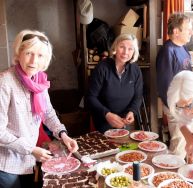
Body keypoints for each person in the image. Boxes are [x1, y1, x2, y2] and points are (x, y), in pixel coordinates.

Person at [0, 29, 79, 188]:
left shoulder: (39, 81)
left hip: (29, 160)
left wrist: (64, 136)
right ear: (19, 53)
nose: (33, 60)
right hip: (7, 163)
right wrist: (31, 149)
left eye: (40, 55)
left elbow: (48, 113)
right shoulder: (5, 82)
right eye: (29, 53)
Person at [156, 12, 193, 158]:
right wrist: (179, 107)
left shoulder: (183, 48)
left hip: (189, 106)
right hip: (177, 108)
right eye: (188, 29)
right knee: (179, 145)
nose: (191, 32)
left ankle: (189, 174)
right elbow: (165, 87)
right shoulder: (167, 51)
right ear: (176, 31)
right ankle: (171, 176)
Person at [87, 33, 143, 133]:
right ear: (115, 47)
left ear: (134, 51)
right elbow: (91, 97)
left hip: (125, 121)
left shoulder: (135, 70)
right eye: (122, 47)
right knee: (106, 147)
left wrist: (132, 111)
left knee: (126, 147)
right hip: (103, 120)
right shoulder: (102, 68)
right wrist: (107, 114)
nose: (126, 52)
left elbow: (138, 96)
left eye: (130, 49)